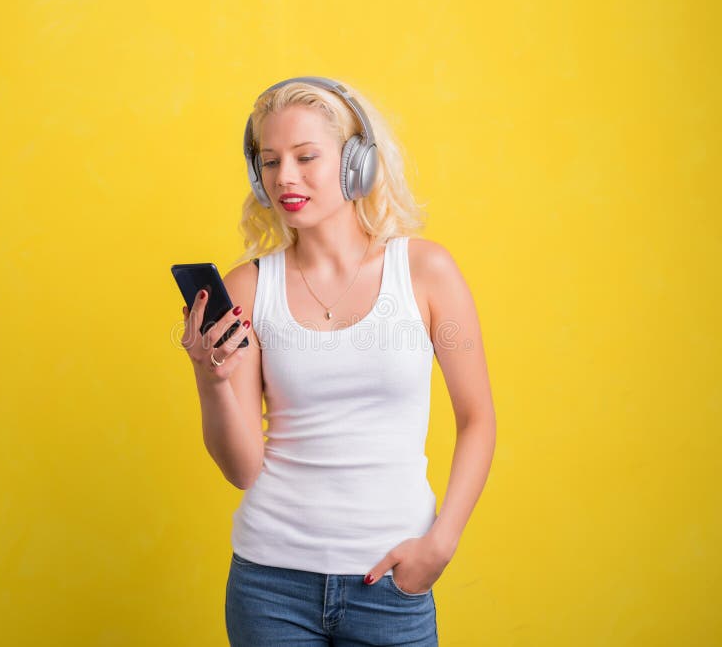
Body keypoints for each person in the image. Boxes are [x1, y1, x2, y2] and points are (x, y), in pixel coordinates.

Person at [181, 76, 496, 647]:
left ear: (357, 164)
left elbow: (477, 419)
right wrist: (211, 377)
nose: (286, 178)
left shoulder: (427, 273)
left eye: (306, 157)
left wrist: (440, 545)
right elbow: (242, 469)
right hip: (269, 587)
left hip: (390, 584)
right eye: (270, 162)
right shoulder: (249, 287)